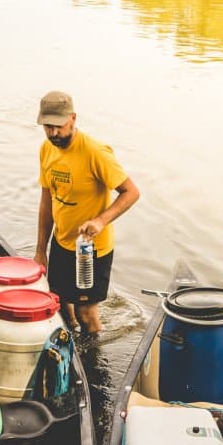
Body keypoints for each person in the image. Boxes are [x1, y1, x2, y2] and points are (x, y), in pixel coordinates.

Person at [34, 91, 140, 342]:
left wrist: (101, 220)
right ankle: (69, 343)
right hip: (62, 241)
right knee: (58, 302)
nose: (53, 133)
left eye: (58, 126)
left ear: (72, 118)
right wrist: (41, 250)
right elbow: (46, 201)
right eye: (47, 127)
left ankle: (93, 360)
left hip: (90, 250)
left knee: (86, 313)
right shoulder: (46, 150)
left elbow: (132, 192)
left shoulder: (95, 152)